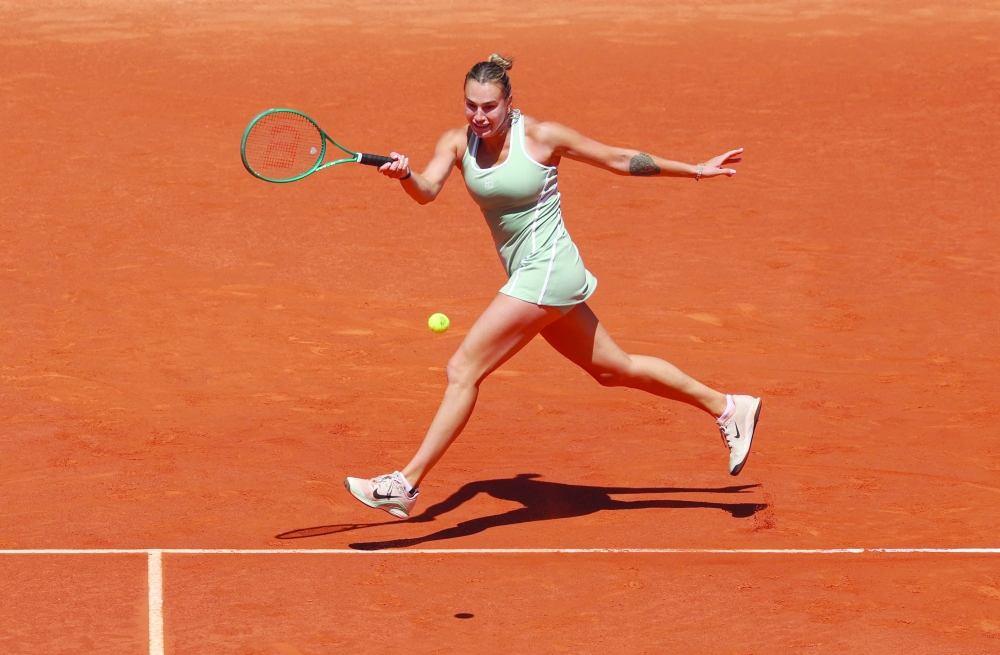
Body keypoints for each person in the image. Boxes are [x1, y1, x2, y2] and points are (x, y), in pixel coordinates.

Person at [345, 54, 761, 520]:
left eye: (489, 106)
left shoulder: (542, 137)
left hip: (548, 269)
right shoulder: (457, 143)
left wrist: (697, 169)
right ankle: (729, 407)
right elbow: (426, 191)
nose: (479, 116)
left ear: (509, 102)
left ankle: (405, 484)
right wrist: (404, 175)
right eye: (471, 105)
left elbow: (618, 159)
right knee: (614, 369)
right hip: (532, 275)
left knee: (463, 368)